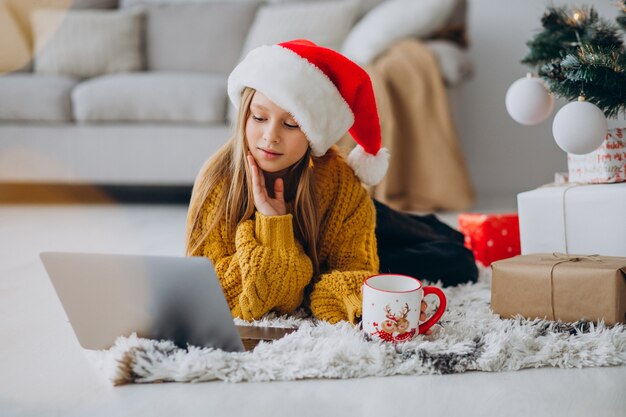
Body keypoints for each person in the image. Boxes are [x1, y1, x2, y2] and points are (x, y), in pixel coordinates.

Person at [185, 39, 477, 328]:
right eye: (259, 117)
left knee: (440, 238)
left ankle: (435, 225)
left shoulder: (339, 183)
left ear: (313, 134)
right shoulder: (218, 181)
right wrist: (274, 227)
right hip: (324, 259)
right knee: (458, 261)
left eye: (290, 124)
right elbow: (216, 290)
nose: (270, 136)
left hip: (346, 220)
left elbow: (344, 272)